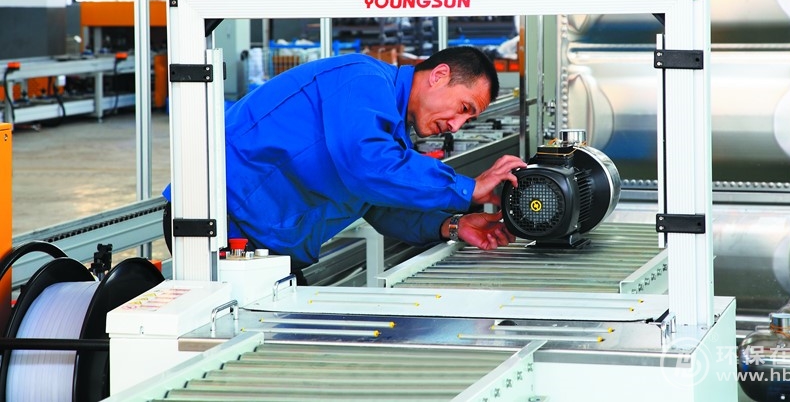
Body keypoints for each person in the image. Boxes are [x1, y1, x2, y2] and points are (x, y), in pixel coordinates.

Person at [163, 45, 526, 280]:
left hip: (264, 247)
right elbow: (367, 166)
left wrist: (454, 225)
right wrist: (468, 188)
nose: (456, 125)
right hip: (217, 224)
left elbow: (380, 204)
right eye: (463, 108)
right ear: (439, 75)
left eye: (468, 119)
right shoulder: (363, 79)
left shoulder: (391, 131)